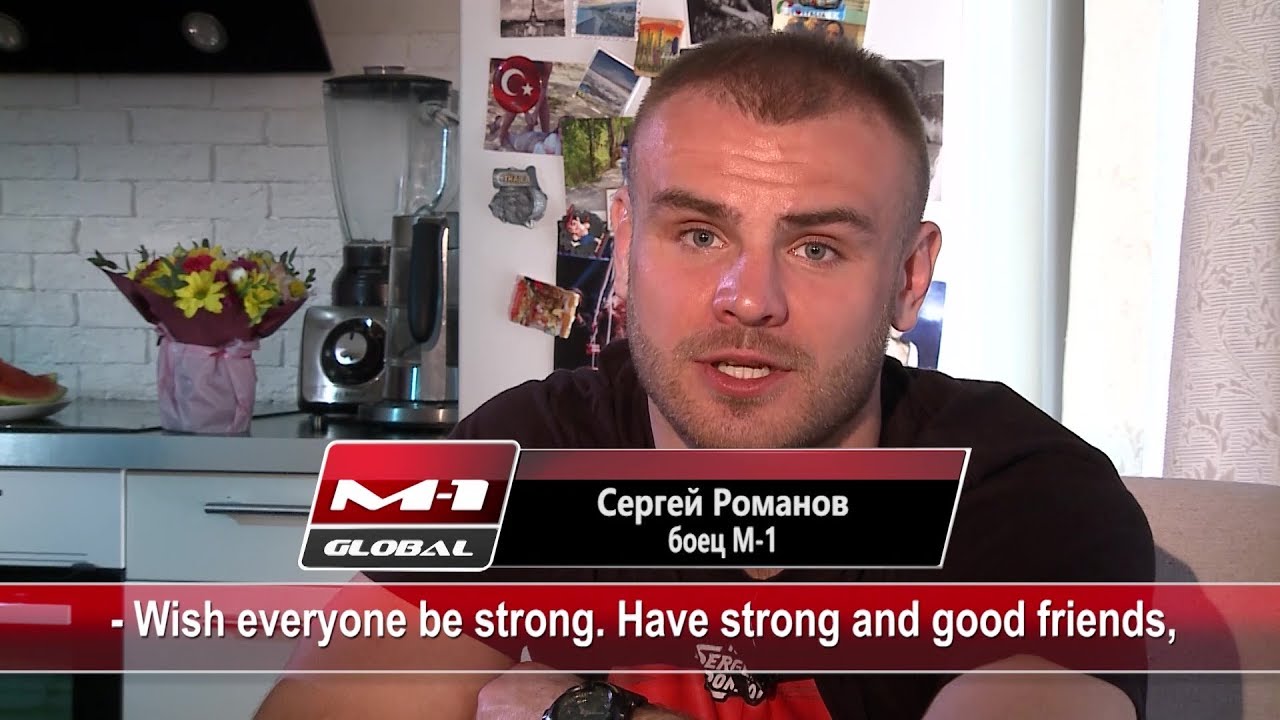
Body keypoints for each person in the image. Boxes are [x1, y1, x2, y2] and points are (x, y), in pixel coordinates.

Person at [255, 32, 1153, 720]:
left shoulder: (1028, 493)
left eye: (816, 246)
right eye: (698, 234)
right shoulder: (517, 450)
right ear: (624, 243)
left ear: (908, 279)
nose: (749, 299)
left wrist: (596, 712)